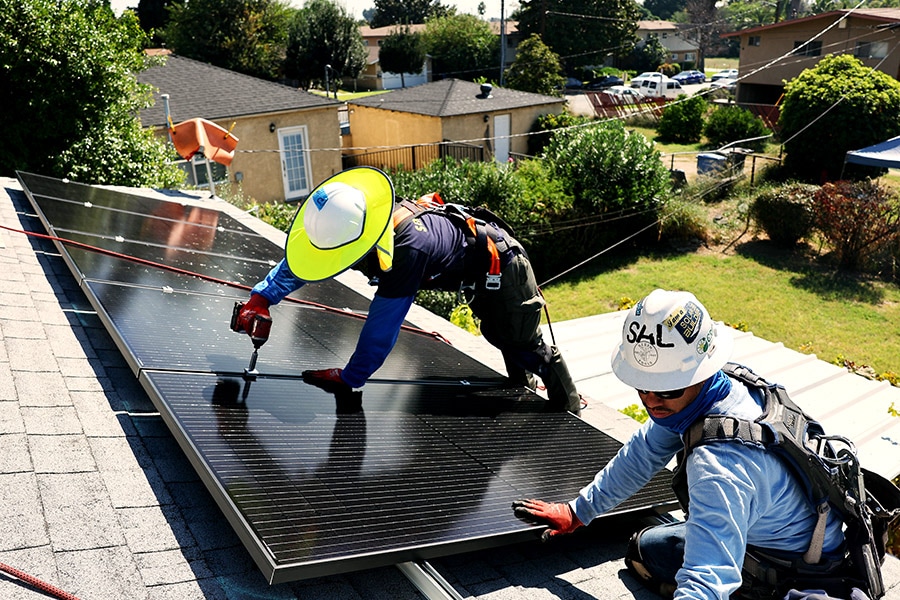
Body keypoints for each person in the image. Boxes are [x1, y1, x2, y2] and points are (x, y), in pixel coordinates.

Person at [512, 289, 848, 599]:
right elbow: (643, 453)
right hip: (779, 531)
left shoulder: (720, 466)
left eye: (667, 389)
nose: (652, 402)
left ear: (700, 374)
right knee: (645, 548)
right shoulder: (713, 390)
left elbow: (705, 580)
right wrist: (578, 512)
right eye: (642, 387)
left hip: (795, 566)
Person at [232, 166, 581, 414]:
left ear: (361, 239)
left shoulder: (407, 250)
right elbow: (305, 261)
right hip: (478, 271)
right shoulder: (362, 220)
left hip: (503, 267)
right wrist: (261, 298)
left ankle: (570, 411)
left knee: (522, 344)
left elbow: (382, 328)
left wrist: (350, 377)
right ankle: (521, 388)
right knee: (500, 334)